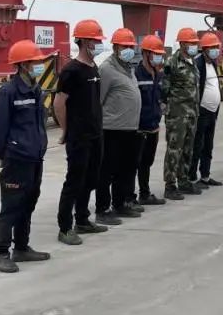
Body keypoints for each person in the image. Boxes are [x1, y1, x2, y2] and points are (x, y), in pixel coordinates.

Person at [0, 39, 52, 273]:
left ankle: (22, 248)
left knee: (28, 203)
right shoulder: (8, 92)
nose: (39, 65)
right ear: (23, 65)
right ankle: (1, 253)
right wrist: (5, 155)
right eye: (35, 62)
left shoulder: (36, 90)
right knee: (11, 207)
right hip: (17, 159)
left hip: (35, 158)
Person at [55, 19, 110, 245]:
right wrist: (66, 130)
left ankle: (83, 219)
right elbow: (59, 103)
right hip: (79, 136)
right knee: (74, 181)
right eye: (96, 41)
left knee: (90, 179)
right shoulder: (71, 70)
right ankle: (65, 227)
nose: (99, 45)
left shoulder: (93, 67)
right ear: (86, 42)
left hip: (96, 133)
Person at [95, 27, 144, 224]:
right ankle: (102, 209)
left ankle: (120, 203)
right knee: (107, 170)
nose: (128, 50)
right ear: (115, 47)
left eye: (131, 47)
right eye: (124, 47)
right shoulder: (107, 69)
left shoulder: (129, 68)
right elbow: (99, 100)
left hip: (130, 129)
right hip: (112, 130)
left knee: (125, 169)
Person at [161, 26, 201, 199]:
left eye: (195, 43)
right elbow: (164, 87)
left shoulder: (193, 62)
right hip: (177, 113)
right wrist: (168, 106)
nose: (194, 46)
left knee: (187, 149)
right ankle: (170, 185)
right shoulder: (172, 62)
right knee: (174, 149)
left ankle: (183, 180)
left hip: (192, 113)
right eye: (191, 43)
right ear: (183, 43)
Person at [189, 32, 223, 189]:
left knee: (208, 146)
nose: (215, 50)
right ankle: (192, 177)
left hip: (212, 111)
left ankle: (205, 176)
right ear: (204, 49)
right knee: (197, 145)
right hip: (202, 111)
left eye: (216, 47)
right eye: (212, 47)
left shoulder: (214, 64)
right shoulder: (198, 64)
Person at [135, 34, 167, 206]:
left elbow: (161, 97)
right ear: (146, 53)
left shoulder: (158, 75)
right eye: (156, 54)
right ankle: (129, 197)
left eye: (160, 54)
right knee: (135, 163)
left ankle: (145, 194)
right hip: (139, 129)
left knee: (147, 162)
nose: (159, 57)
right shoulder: (136, 74)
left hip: (154, 127)